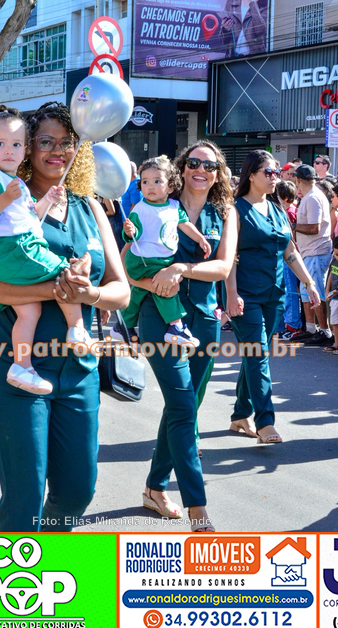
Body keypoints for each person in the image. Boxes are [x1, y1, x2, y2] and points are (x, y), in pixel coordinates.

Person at [0, 101, 128, 531]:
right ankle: (19, 586)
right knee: (24, 494)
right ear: (26, 148)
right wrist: (52, 289)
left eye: (67, 143)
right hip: (12, 365)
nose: (58, 151)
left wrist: (86, 292)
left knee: (79, 489)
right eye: (45, 142)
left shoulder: (90, 207)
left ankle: (52, 552)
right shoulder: (1, 201)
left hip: (78, 368)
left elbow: (121, 292)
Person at [122, 140, 234, 530]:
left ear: (218, 173)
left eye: (211, 164)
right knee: (184, 407)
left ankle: (154, 487)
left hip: (203, 320)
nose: (202, 169)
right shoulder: (155, 204)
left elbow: (221, 268)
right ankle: (197, 507)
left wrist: (181, 269)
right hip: (159, 318)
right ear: (181, 169)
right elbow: (127, 269)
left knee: (182, 406)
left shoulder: (224, 212)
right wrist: (156, 283)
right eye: (194, 162)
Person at [0, 107, 94, 394]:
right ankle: (77, 329)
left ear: (24, 150)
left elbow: (31, 218)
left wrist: (48, 200)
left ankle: (22, 366)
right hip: (13, 249)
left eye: (16, 144)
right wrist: (5, 197)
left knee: (29, 312)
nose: (9, 151)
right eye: (0, 144)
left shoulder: (17, 186)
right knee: (64, 272)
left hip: (14, 248)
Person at [227, 149, 320, 443]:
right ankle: (265, 422)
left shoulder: (277, 209)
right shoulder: (235, 209)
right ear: (251, 175)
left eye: (277, 173)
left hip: (275, 294)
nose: (274, 178)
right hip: (245, 295)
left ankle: (240, 414)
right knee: (259, 356)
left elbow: (290, 250)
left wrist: (309, 283)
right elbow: (228, 257)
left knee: (256, 356)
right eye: (268, 172)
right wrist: (231, 294)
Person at [122, 155, 211, 345]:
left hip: (162, 260)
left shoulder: (174, 206)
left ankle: (123, 326)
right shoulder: (140, 208)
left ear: (171, 187)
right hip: (143, 261)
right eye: (145, 182)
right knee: (169, 287)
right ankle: (176, 326)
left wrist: (200, 238)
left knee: (140, 291)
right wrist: (130, 232)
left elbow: (185, 224)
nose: (150, 186)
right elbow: (133, 235)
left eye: (157, 181)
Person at [291, 164, 332, 346]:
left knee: (316, 292)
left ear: (298, 180)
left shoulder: (313, 197)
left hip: (317, 251)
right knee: (306, 293)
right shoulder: (310, 196)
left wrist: (293, 226)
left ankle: (325, 331)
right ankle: (311, 329)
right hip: (310, 252)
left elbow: (314, 228)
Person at [275, 180, 302, 339]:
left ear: (285, 198)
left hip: (290, 256)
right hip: (284, 256)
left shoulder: (290, 212)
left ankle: (293, 325)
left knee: (290, 291)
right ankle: (285, 324)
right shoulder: (283, 210)